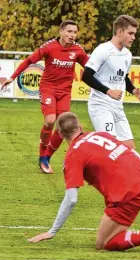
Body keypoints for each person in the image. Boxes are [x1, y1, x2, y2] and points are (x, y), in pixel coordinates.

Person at [27, 112, 140, 254]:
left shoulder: (73, 155)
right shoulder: (100, 134)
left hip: (132, 192)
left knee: (103, 243)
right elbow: (132, 152)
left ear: (61, 135)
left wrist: (52, 231)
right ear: (80, 127)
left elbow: (71, 199)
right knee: (110, 205)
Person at [0, 20, 88, 174]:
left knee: (64, 127)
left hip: (65, 92)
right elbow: (29, 61)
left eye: (75, 32)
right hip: (48, 89)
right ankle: (42, 156)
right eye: (69, 31)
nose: (72, 35)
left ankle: (46, 158)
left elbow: (91, 67)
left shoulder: (78, 50)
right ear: (61, 32)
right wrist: (13, 77)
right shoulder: (49, 47)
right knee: (50, 120)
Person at [81, 15, 140, 149]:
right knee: (110, 145)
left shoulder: (127, 54)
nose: (133, 37)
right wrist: (108, 91)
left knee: (129, 147)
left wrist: (133, 90)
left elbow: (123, 78)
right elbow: (86, 75)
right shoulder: (103, 50)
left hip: (117, 107)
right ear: (120, 32)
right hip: (100, 105)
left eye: (134, 34)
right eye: (130, 33)